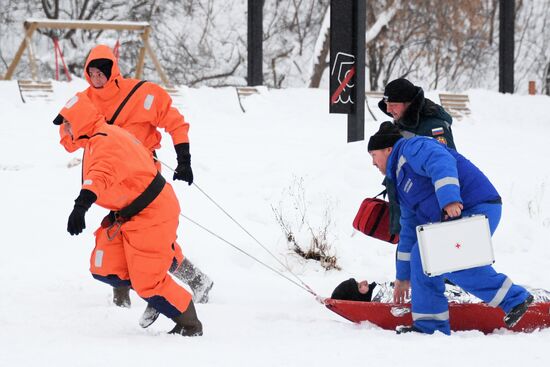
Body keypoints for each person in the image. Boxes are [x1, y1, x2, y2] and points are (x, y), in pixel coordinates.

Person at [61, 45, 213, 326]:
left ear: (112, 70)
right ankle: (138, 294)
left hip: (144, 184)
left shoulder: (142, 94)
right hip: (107, 183)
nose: (96, 78)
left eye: (101, 72)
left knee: (149, 244)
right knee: (118, 239)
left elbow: (175, 122)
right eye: (91, 72)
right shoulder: (82, 102)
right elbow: (69, 138)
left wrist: (184, 160)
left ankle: (177, 286)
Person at [366, 121, 533, 335]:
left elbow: (440, 160)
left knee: (444, 259)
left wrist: (449, 199)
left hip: (475, 206)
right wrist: (403, 276)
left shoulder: (413, 147)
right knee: (423, 254)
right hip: (455, 215)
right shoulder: (400, 184)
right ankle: (430, 325)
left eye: (373, 155)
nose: (372, 163)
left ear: (388, 149)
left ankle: (514, 297)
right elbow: (408, 231)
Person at [331, 279, 550, 304]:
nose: (365, 280)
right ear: (360, 291)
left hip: (445, 287)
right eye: (360, 284)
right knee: (485, 292)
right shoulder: (383, 296)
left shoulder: (382, 290)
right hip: (452, 293)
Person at [378, 78, 456, 149]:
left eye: (393, 105)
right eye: (386, 104)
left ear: (408, 103)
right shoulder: (402, 121)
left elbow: (447, 161)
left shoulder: (434, 127)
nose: (388, 110)